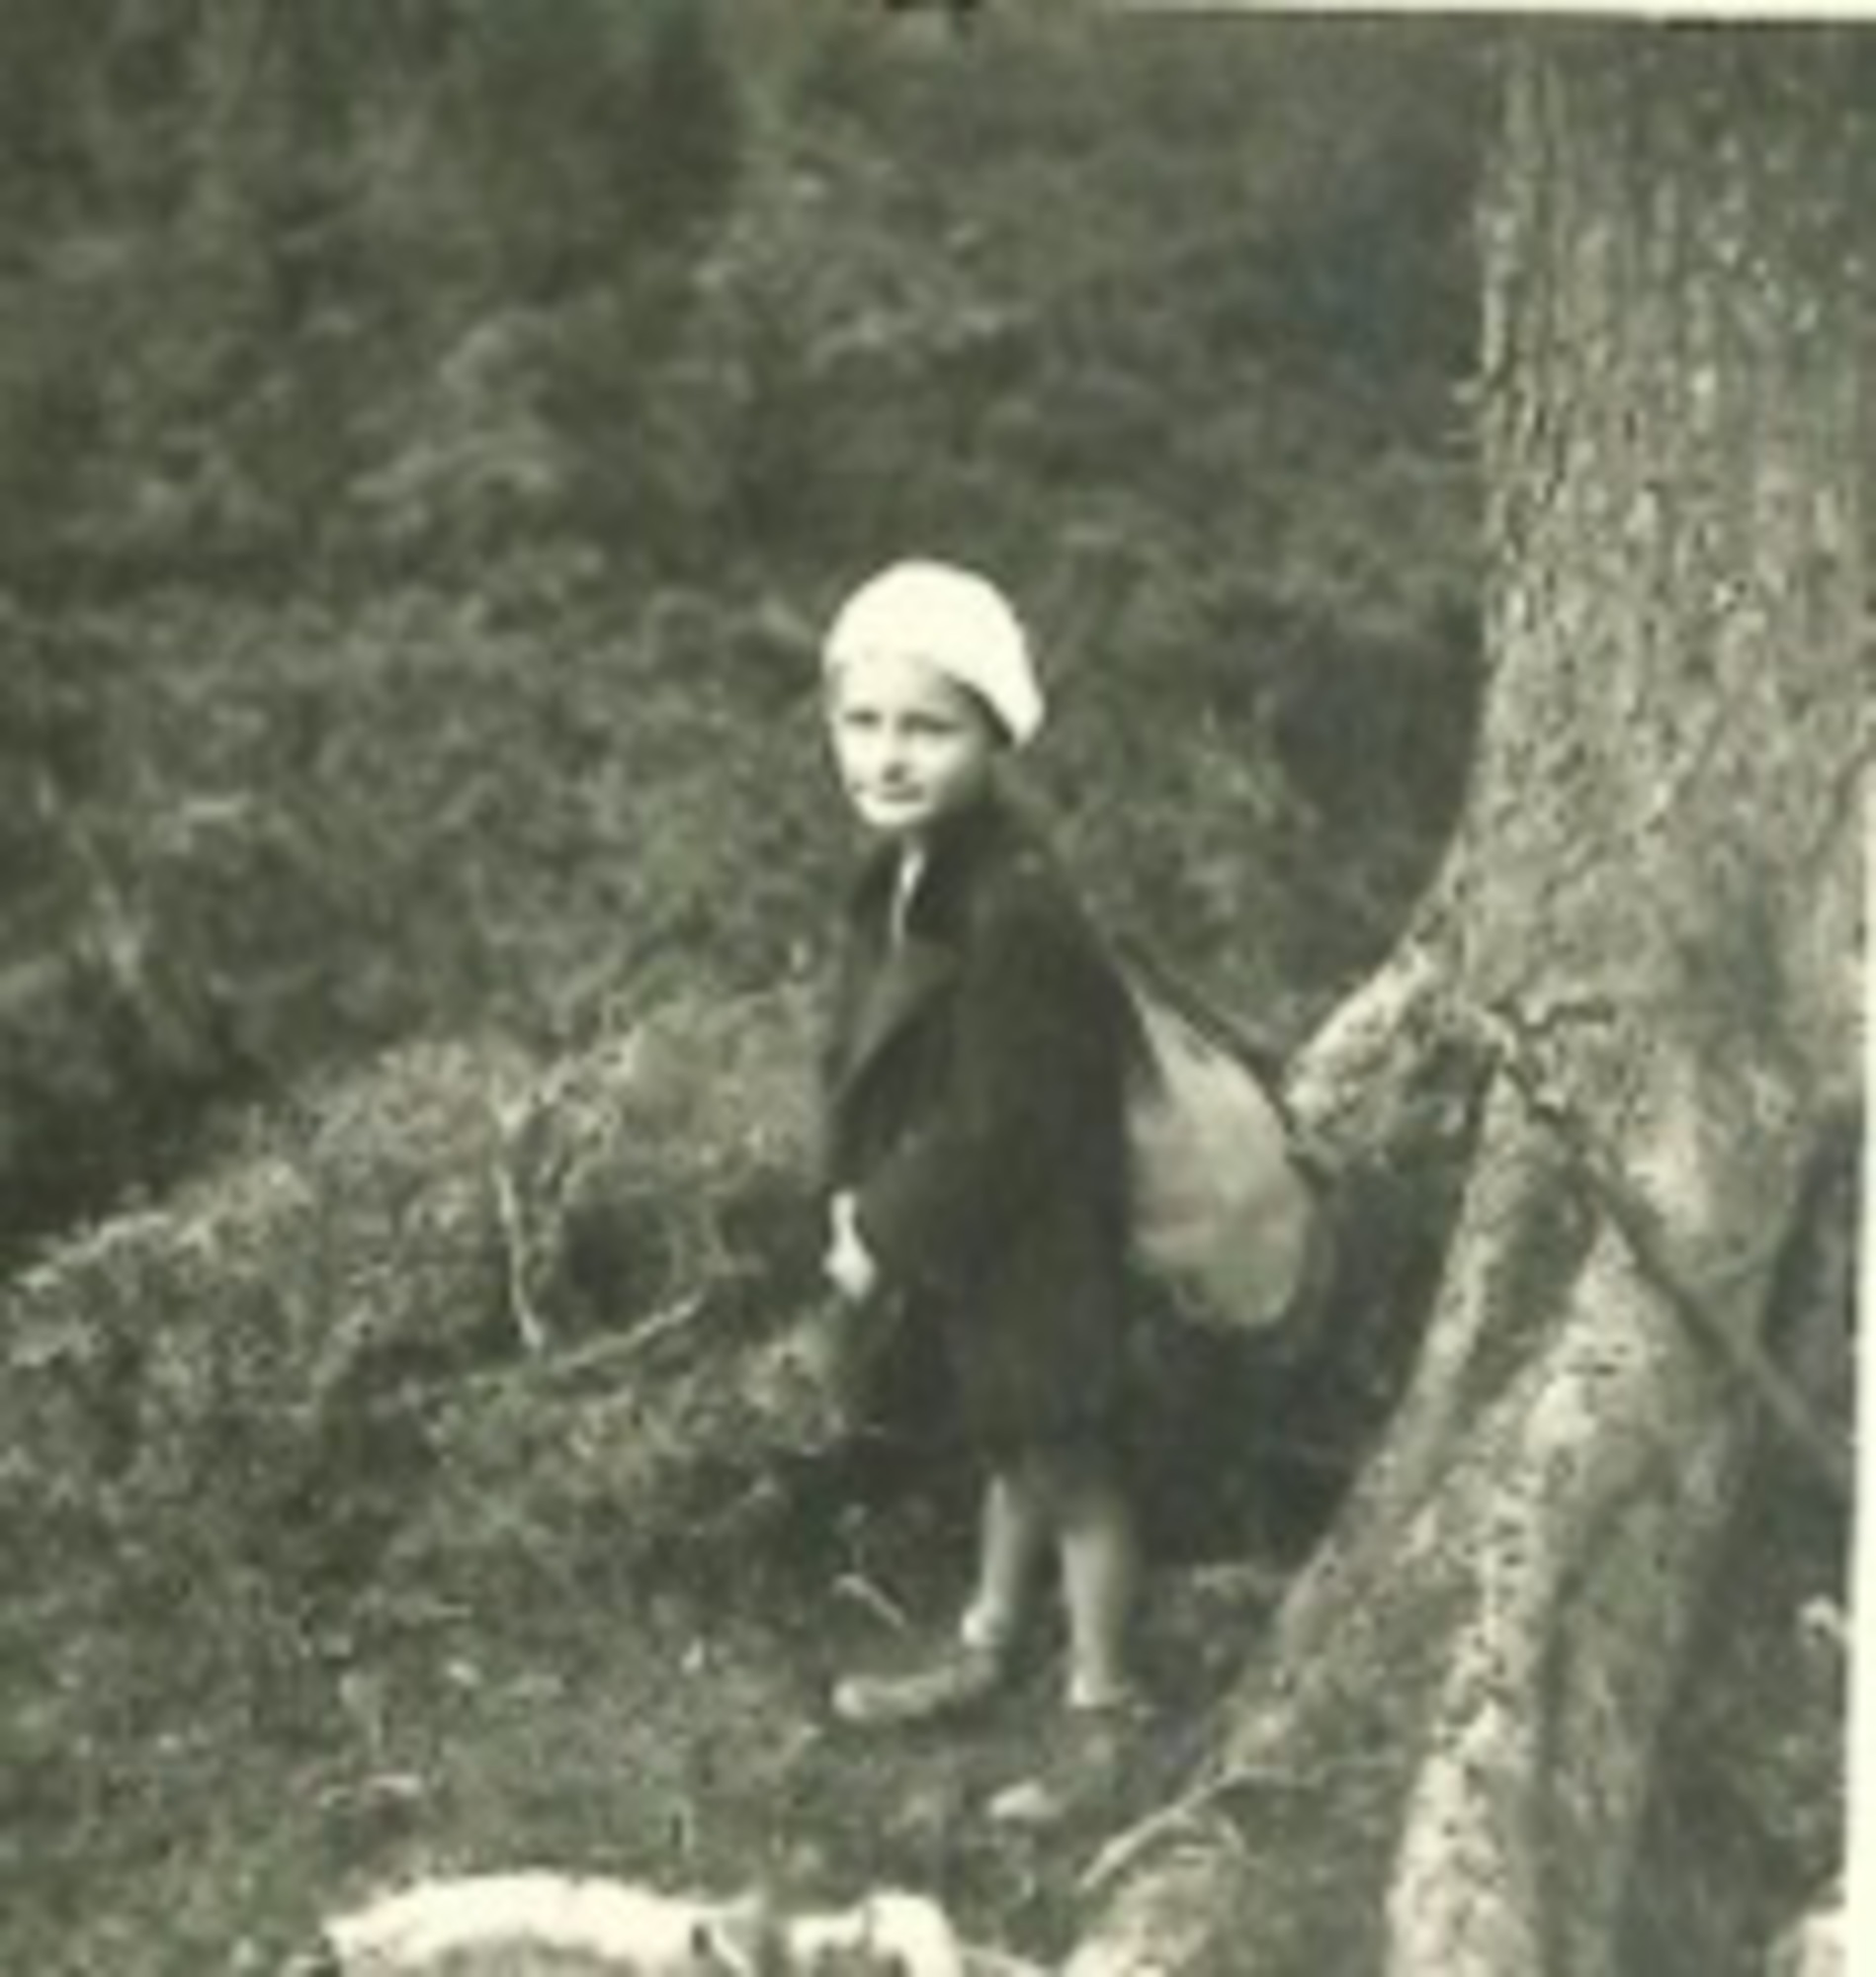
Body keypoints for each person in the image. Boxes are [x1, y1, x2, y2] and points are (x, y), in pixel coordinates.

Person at [809, 557, 1147, 1824]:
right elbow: (870, 1052)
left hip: (1035, 1230)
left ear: (993, 736)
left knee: (1065, 1460)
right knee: (1003, 1439)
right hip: (965, 1229)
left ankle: (1102, 1704)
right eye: (862, 721)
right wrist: (852, 1187)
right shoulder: (899, 872)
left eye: (927, 728)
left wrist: (885, 1228)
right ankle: (989, 1641)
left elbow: (1007, 1116)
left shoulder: (1015, 904)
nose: (887, 755)